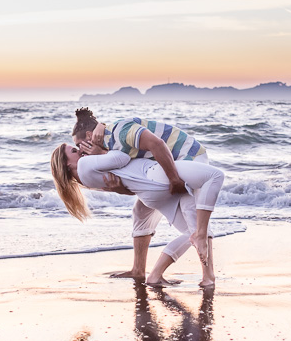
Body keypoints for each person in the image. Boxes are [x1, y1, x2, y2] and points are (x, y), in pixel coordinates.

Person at [50, 142, 224, 287]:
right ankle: (172, 274)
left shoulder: (84, 181)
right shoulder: (84, 164)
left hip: (148, 192)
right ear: (66, 163)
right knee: (214, 177)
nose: (80, 150)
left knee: (187, 228)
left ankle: (147, 272)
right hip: (155, 176)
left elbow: (126, 183)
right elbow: (123, 157)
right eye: (74, 151)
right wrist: (102, 151)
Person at [70, 108, 212, 273]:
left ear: (89, 136)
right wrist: (121, 189)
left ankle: (208, 277)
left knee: (192, 218)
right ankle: (138, 270)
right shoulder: (109, 145)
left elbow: (157, 144)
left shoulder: (121, 130)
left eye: (78, 145)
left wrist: (174, 180)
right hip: (169, 165)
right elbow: (138, 179)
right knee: (140, 211)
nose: (80, 151)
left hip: (189, 156)